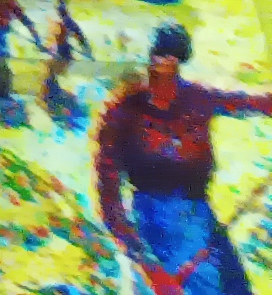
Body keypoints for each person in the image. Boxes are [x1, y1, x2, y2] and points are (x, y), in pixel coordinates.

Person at [98, 24, 272, 294]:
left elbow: (249, 103)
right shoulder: (124, 112)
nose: (164, 67)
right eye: (160, 59)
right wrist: (147, 265)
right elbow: (109, 196)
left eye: (173, 61)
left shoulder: (196, 98)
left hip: (198, 215)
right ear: (150, 60)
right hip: (152, 222)